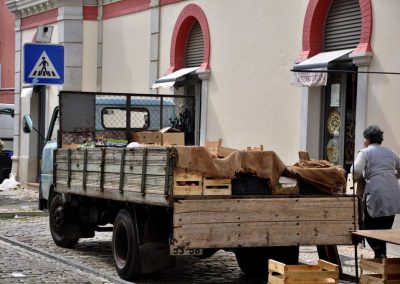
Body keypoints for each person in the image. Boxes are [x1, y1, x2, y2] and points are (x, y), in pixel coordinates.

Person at [351, 125, 400, 258]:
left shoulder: (365, 152)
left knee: (367, 228)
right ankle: (381, 256)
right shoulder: (391, 152)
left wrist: (359, 178)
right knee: (384, 229)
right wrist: (391, 176)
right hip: (393, 192)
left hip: (377, 192)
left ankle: (380, 254)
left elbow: (355, 171)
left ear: (367, 139)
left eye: (364, 139)